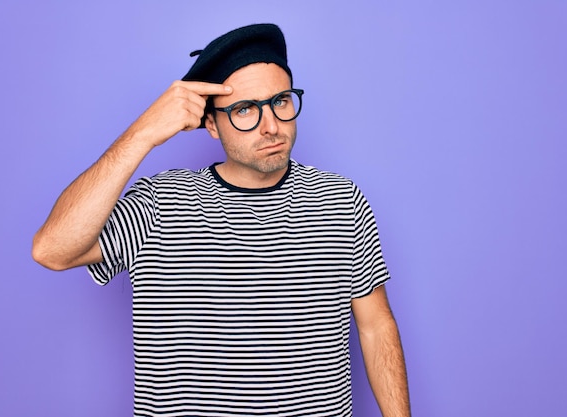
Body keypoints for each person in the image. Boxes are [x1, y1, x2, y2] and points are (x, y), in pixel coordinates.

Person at [32, 23, 410, 417]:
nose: (270, 126)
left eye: (280, 101)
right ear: (210, 124)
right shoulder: (161, 202)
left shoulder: (340, 200)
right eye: (245, 109)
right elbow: (52, 250)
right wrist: (141, 134)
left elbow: (375, 324)